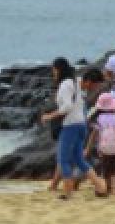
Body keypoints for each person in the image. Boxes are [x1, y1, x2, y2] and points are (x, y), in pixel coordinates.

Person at [40, 58, 107, 200]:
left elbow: (67, 107)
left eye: (54, 70)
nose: (53, 73)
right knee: (79, 159)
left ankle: (67, 192)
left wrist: (50, 116)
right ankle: (100, 187)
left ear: (59, 69)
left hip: (70, 125)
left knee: (63, 159)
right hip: (81, 125)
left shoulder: (66, 84)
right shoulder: (76, 82)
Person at [85, 93, 115, 196]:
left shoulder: (99, 119)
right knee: (114, 168)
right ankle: (114, 189)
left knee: (105, 168)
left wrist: (88, 148)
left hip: (103, 148)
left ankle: (107, 187)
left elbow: (93, 135)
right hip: (114, 147)